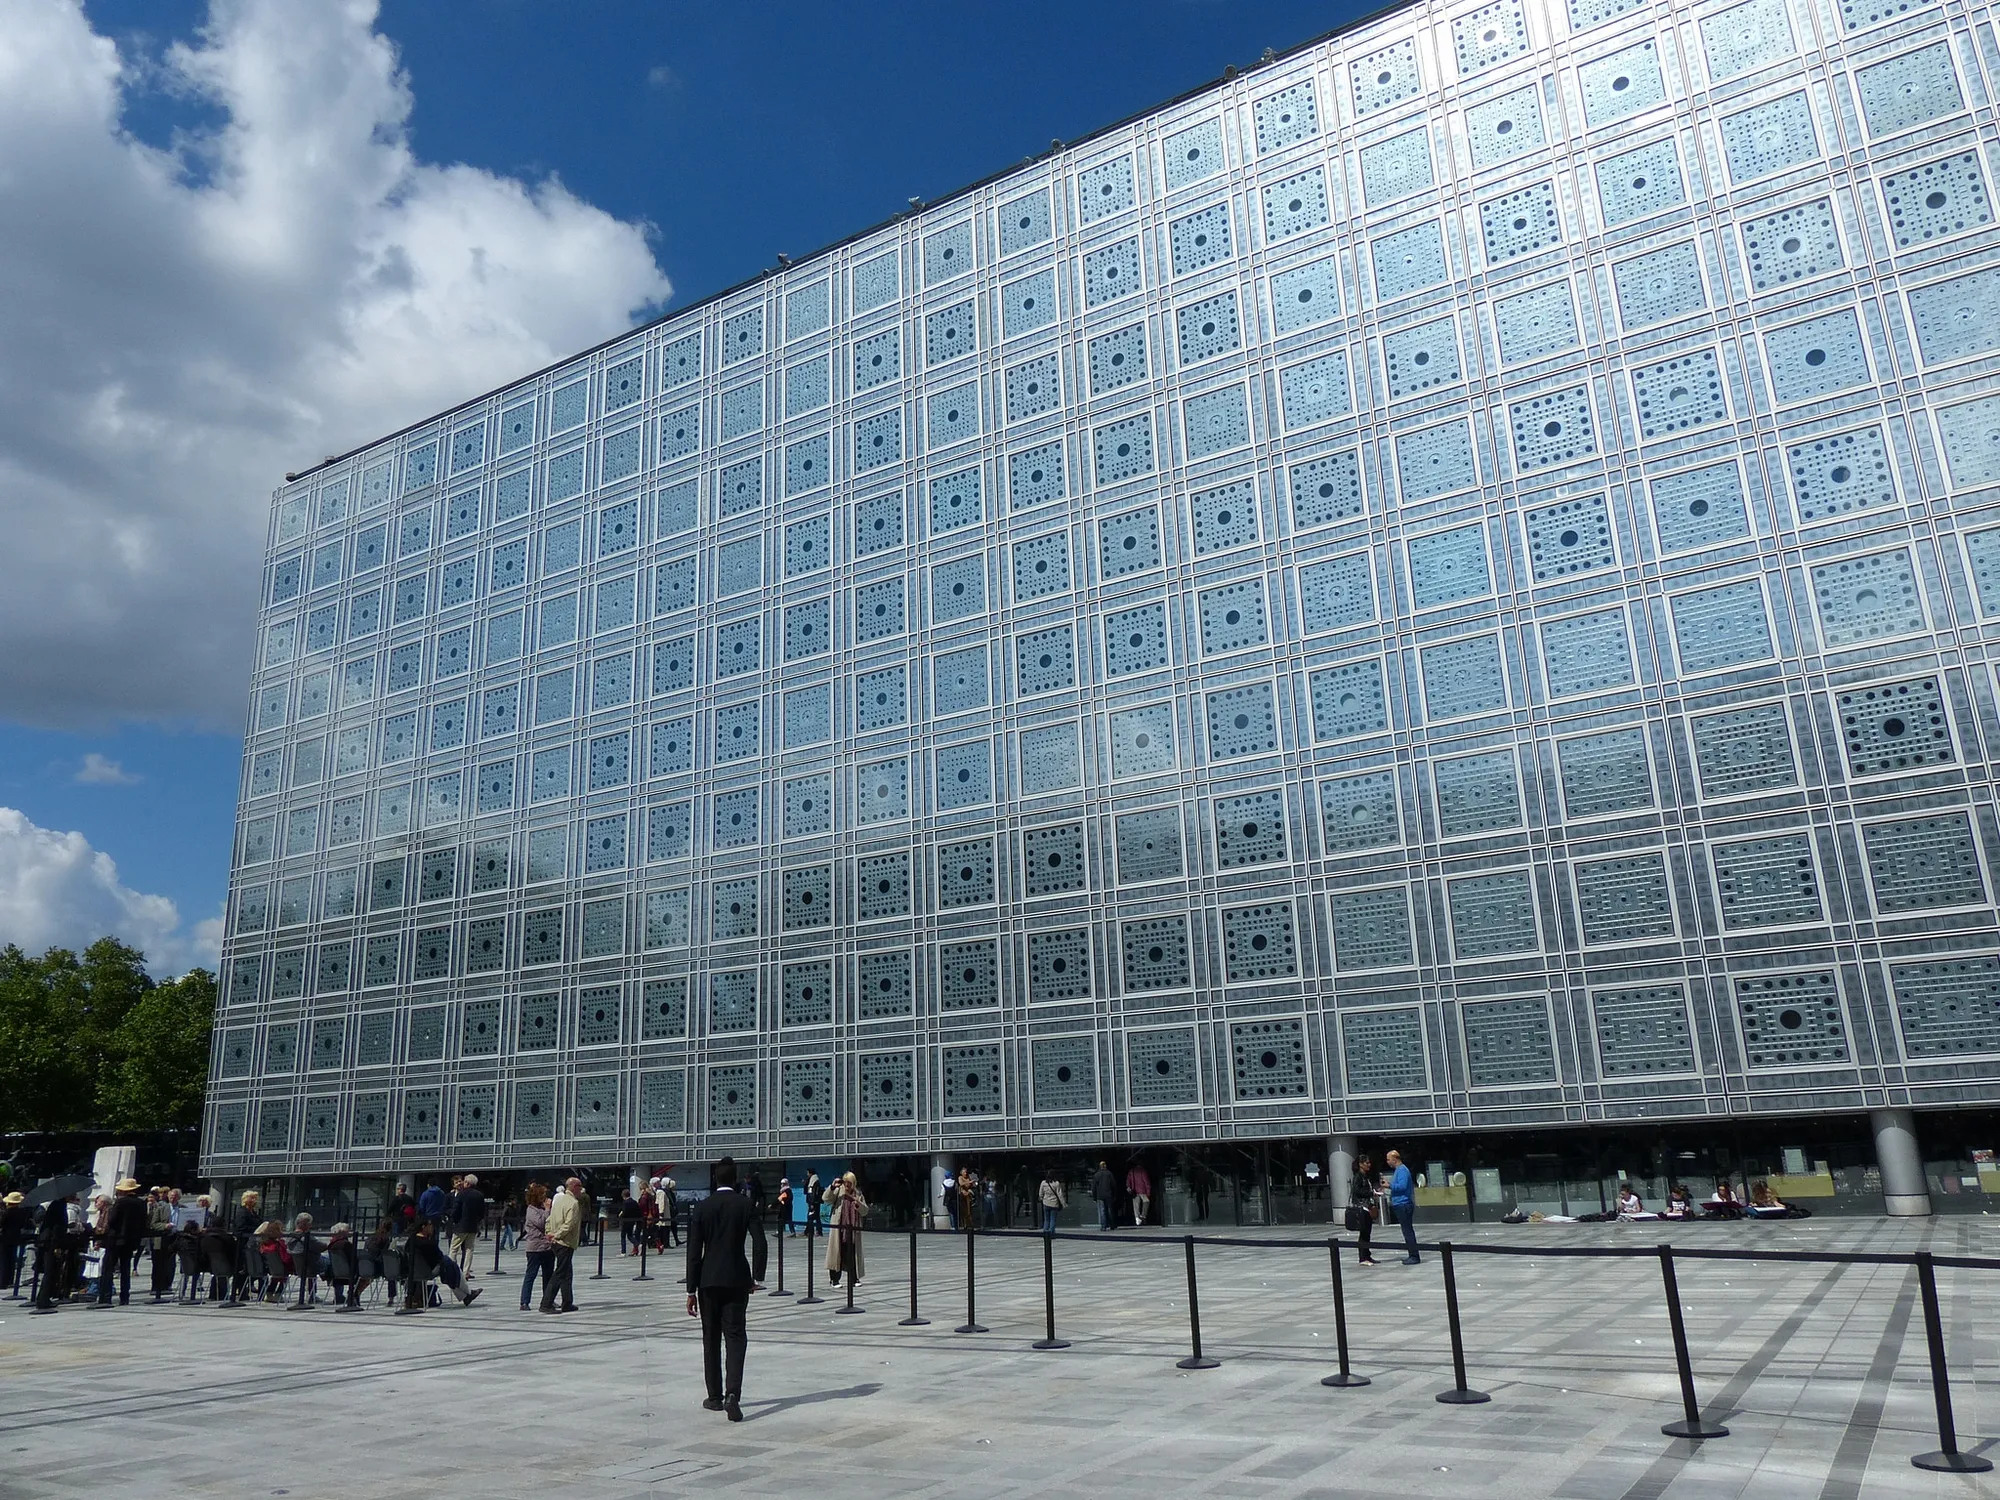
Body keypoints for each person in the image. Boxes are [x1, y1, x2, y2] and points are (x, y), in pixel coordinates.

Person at [684, 1157, 767, 1422]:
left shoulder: (703, 1207)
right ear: (736, 1179)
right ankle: (733, 1393)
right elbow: (760, 1242)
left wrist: (690, 1289)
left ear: (715, 1179)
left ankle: (715, 1396)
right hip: (737, 1279)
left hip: (708, 1280)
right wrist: (756, 1276)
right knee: (735, 1336)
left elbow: (694, 1252)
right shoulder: (745, 1204)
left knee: (711, 1338)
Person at [541, 1177, 583, 1313]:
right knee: (560, 1273)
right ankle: (546, 1303)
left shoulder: (557, 1201)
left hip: (556, 1241)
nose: (581, 1190)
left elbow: (549, 1219)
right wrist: (557, 1235)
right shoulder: (573, 1203)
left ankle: (567, 1302)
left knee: (566, 1272)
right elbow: (569, 1224)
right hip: (565, 1242)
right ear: (574, 1187)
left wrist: (549, 1233)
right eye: (580, 1187)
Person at [32, 1192, 75, 1311]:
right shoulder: (59, 1206)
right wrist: (57, 1246)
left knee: (50, 1271)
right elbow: (57, 1228)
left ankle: (43, 1298)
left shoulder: (56, 1205)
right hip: (51, 1243)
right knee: (50, 1271)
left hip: (47, 1241)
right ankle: (43, 1300)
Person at [823, 1172, 866, 1286]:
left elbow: (865, 1210)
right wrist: (832, 1187)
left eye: (849, 1183)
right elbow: (826, 1198)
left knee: (852, 1254)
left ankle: (854, 1279)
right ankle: (834, 1279)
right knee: (837, 1253)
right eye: (845, 1182)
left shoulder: (858, 1194)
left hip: (852, 1229)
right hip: (839, 1229)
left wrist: (859, 1205)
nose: (847, 1185)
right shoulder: (838, 1191)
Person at [520, 1183, 554, 1310]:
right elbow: (542, 1223)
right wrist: (547, 1209)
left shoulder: (541, 1208)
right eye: (543, 1195)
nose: (545, 1197)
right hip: (535, 1247)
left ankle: (548, 1299)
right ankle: (524, 1301)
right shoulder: (531, 1209)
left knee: (548, 1275)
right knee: (531, 1274)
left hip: (547, 1247)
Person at [447, 1174, 485, 1275]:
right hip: (472, 1226)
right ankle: (466, 1272)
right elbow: (482, 1212)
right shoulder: (479, 1195)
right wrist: (477, 1221)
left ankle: (452, 1270)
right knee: (469, 1249)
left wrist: (454, 1220)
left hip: (460, 1225)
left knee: (454, 1249)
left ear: (467, 1183)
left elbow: (456, 1210)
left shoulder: (461, 1194)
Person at [1386, 1150, 1418, 1265]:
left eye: (1389, 1159)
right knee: (1406, 1230)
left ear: (1395, 1159)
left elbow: (1402, 1186)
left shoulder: (1402, 1170)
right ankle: (1412, 1254)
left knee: (1408, 1231)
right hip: (1400, 1204)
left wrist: (1389, 1185)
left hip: (1403, 1204)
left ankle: (1414, 1256)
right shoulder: (1398, 1171)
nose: (1387, 1162)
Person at [1349, 1155, 1379, 1266]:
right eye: (1366, 1163)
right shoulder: (1358, 1176)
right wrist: (1372, 1193)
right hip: (1362, 1207)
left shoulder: (1365, 1176)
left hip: (1367, 1206)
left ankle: (1367, 1255)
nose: (1369, 1165)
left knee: (1367, 1232)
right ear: (1361, 1164)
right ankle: (1363, 1257)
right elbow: (1357, 1191)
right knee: (1364, 1232)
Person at [0, 1190, 30, 1292]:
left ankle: (3, 1281)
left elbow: (2, 1223)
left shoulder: (9, 1212)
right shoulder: (22, 1211)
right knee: (12, 1260)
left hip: (6, 1237)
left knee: (4, 1259)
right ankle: (10, 1280)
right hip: (16, 1236)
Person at [1091, 1160, 1117, 1231]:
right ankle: (1112, 1225)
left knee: (1102, 1211)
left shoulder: (1096, 1175)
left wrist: (1094, 1197)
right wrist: (1114, 1194)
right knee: (1110, 1210)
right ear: (1105, 1166)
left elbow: (1093, 1188)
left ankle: (1103, 1226)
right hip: (1109, 1195)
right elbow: (1113, 1185)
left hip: (1100, 1195)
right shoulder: (1109, 1174)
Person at [1125, 1162, 1153, 1228]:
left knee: (1136, 1205)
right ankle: (1143, 1215)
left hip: (1134, 1190)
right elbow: (1147, 1182)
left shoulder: (1131, 1171)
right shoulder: (1143, 1171)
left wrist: (1129, 1187)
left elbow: (1128, 1180)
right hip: (1143, 1190)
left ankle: (1137, 1218)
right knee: (1146, 1201)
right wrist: (1148, 1192)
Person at [1037, 1169, 1066, 1234]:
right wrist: (1063, 1204)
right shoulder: (1056, 1183)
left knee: (1046, 1220)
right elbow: (1060, 1195)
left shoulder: (1043, 1183)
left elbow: (1040, 1193)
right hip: (1054, 1203)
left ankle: (1045, 1232)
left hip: (1046, 1203)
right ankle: (1051, 1232)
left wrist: (1041, 1198)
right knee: (1052, 1219)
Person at [620, 1189, 644, 1255]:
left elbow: (624, 1212)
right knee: (630, 1235)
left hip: (625, 1221)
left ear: (623, 1195)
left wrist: (620, 1216)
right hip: (632, 1221)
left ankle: (623, 1252)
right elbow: (638, 1211)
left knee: (623, 1236)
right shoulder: (634, 1202)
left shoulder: (625, 1203)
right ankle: (638, 1244)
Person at [956, 1168, 979, 1234]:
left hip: (969, 1196)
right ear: (961, 1173)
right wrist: (969, 1182)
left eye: (966, 1172)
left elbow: (973, 1185)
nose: (965, 1174)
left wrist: (974, 1183)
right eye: (964, 1172)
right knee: (964, 1211)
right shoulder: (960, 1177)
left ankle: (970, 1225)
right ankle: (965, 1225)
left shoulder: (969, 1177)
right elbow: (961, 1183)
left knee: (969, 1211)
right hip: (963, 1196)